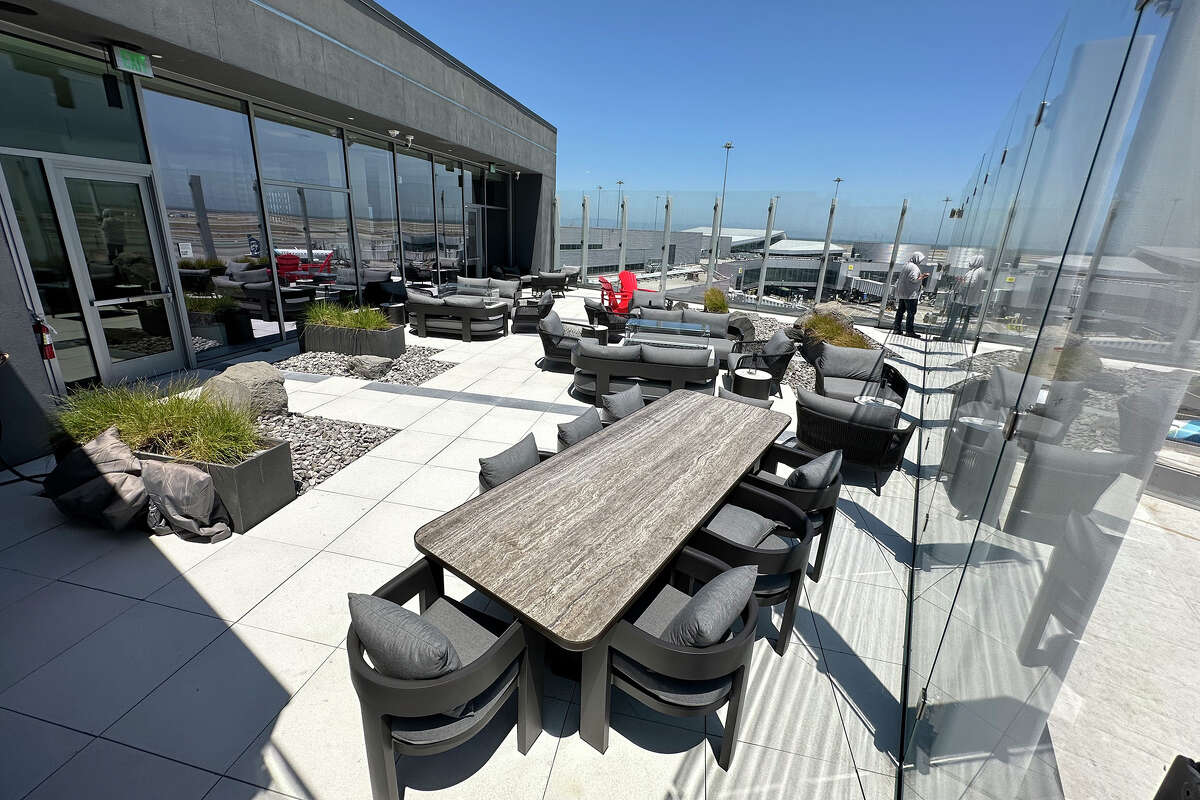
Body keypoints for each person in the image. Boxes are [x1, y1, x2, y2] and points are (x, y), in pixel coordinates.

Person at [892, 251, 929, 337]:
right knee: (911, 312)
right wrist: (923, 276)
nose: (920, 262)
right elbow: (913, 279)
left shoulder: (906, 265)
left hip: (903, 292)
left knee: (900, 311)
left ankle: (896, 329)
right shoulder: (914, 268)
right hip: (911, 294)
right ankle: (909, 331)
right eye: (920, 259)